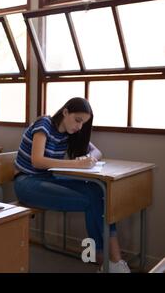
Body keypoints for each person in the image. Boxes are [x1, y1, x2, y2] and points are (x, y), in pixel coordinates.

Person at [14, 97, 130, 273]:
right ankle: (108, 259)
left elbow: (97, 151)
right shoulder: (44, 124)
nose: (79, 127)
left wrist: (89, 159)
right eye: (77, 120)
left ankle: (113, 261)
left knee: (99, 191)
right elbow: (37, 161)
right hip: (27, 182)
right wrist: (76, 164)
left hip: (49, 179)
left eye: (83, 123)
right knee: (92, 201)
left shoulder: (70, 133)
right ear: (65, 112)